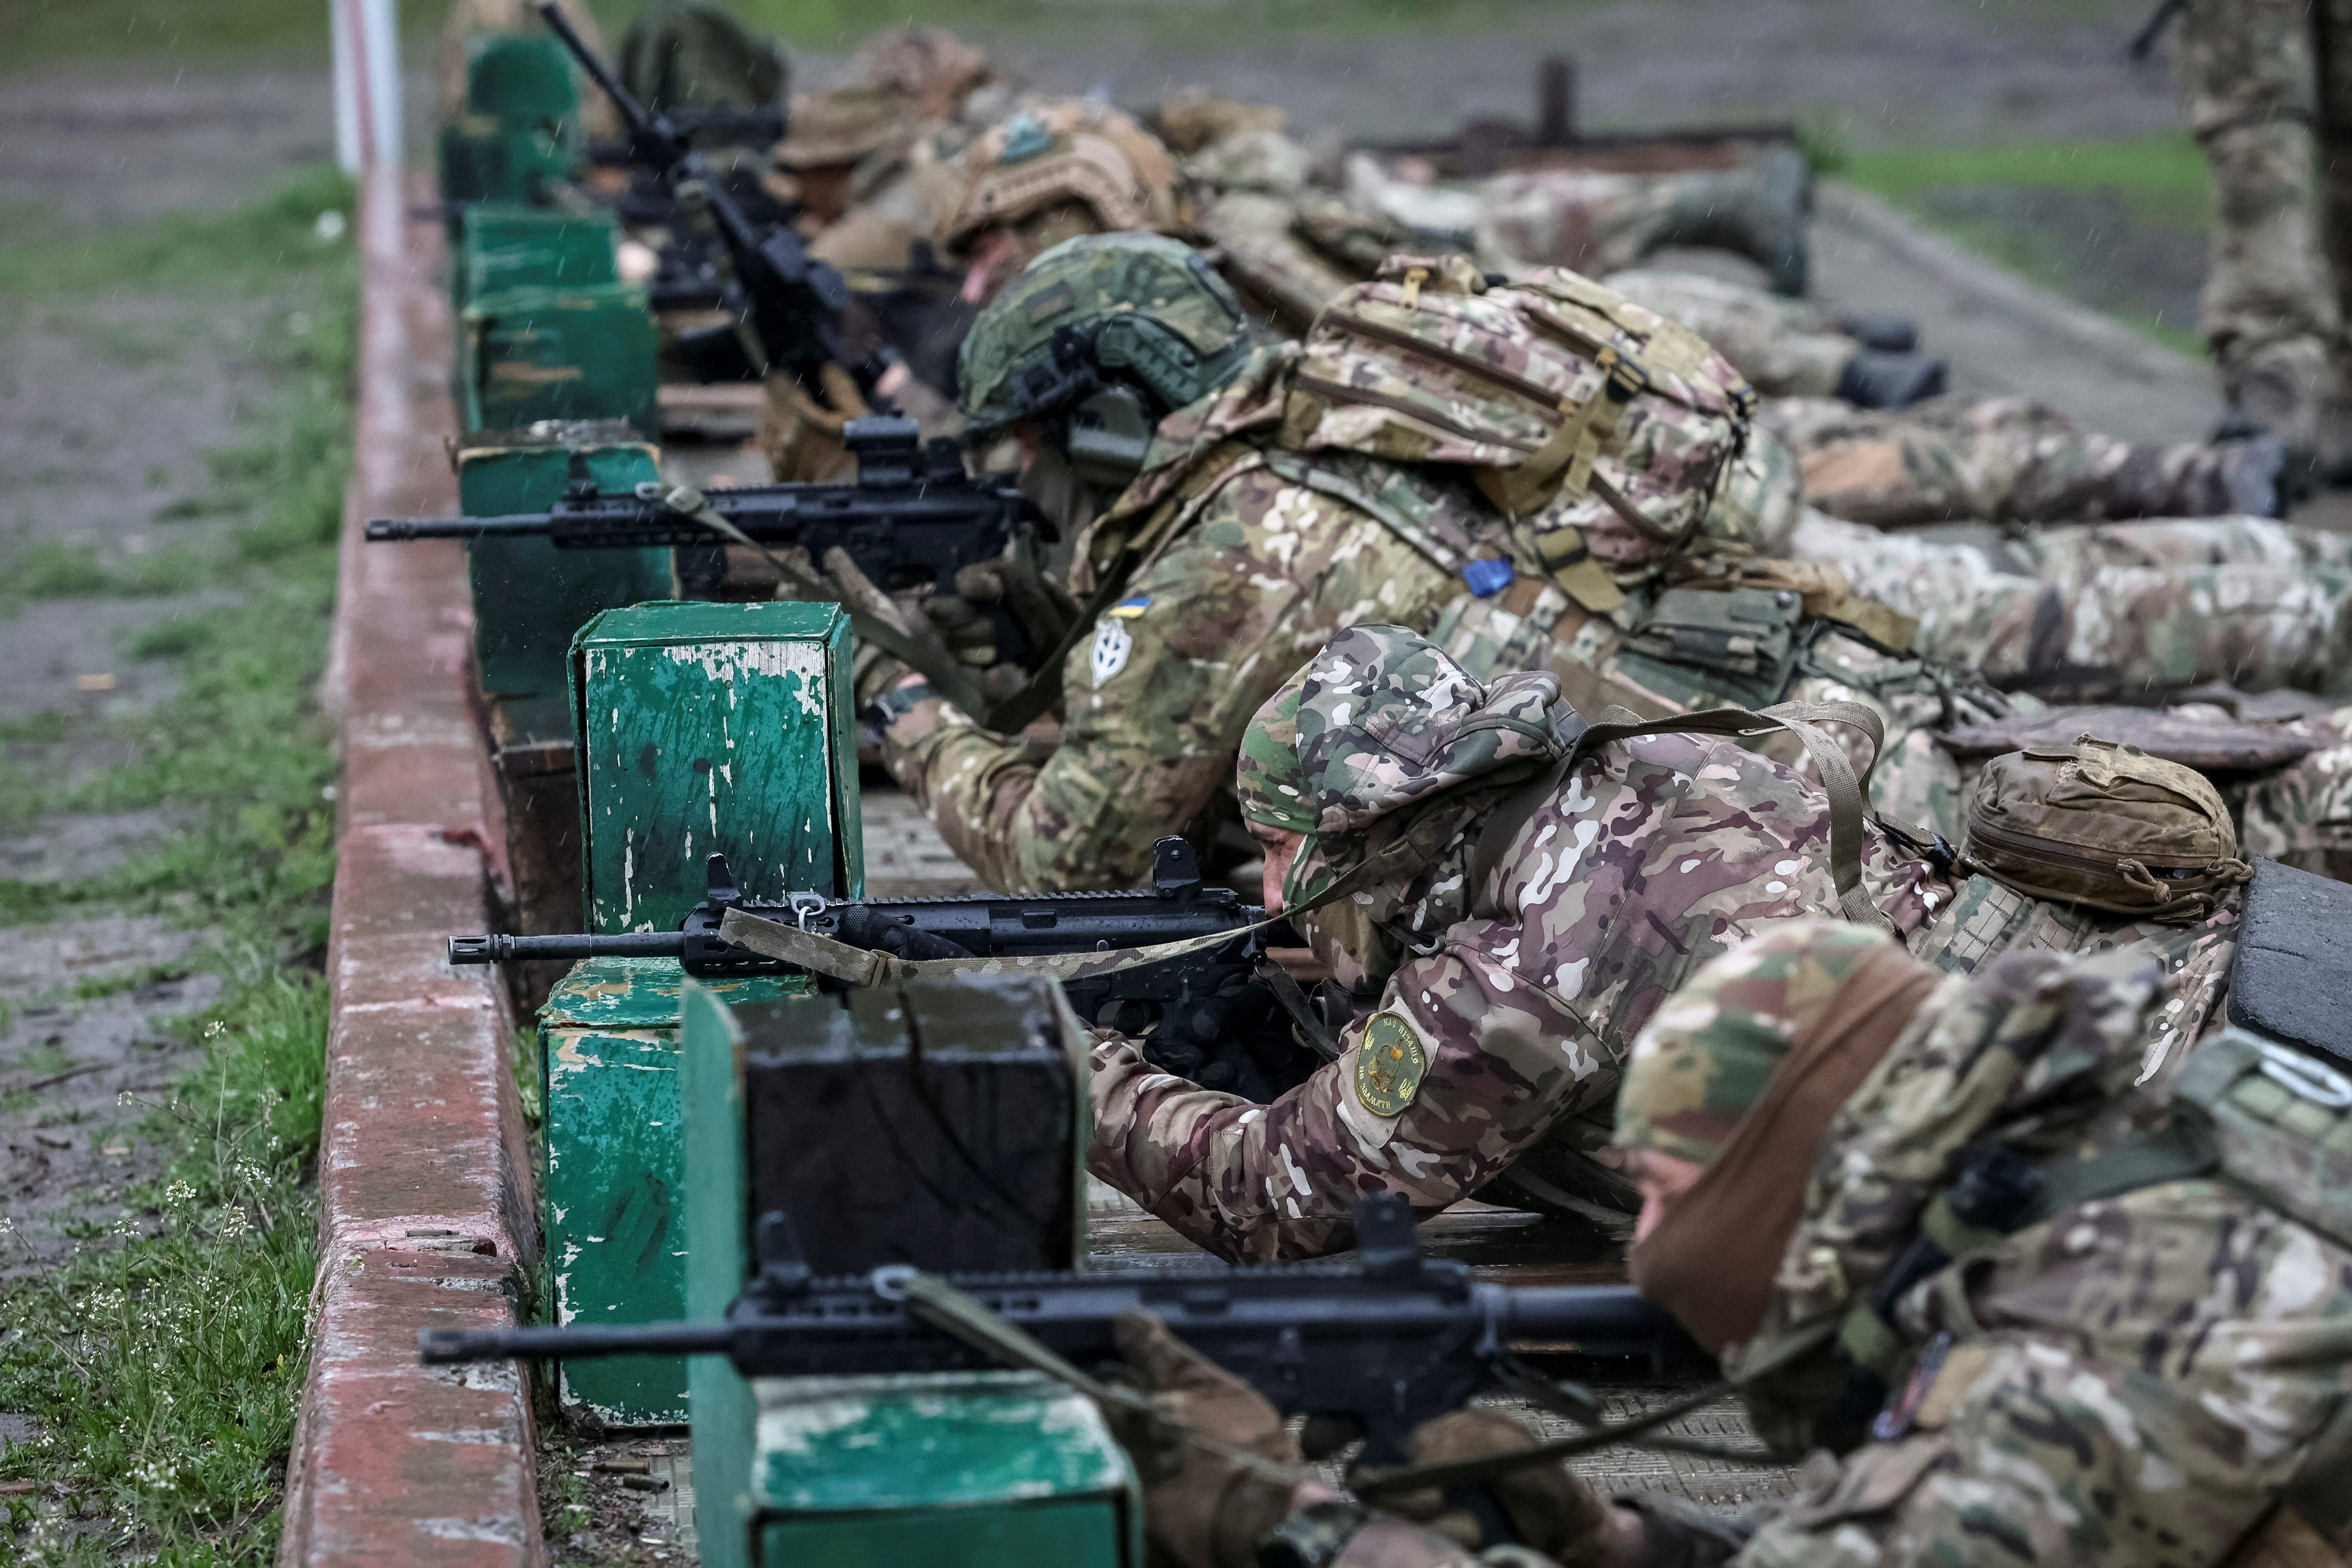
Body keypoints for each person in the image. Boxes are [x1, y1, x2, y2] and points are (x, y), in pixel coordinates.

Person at [1099, 918, 2351, 1568]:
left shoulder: (2090, 1356)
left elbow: (2000, 1501)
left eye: (1651, 1191)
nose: (1643, 1250)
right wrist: (1633, 1549)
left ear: (1787, 1167)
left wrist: (1296, 1530)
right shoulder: (2139, 1192)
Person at [1083, 624, 1954, 1259]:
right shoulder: (1638, 767)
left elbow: (1274, 1197)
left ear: (1359, 833)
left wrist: (1070, 1076)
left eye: (1278, 851)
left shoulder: (1514, 975)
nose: (1271, 895)